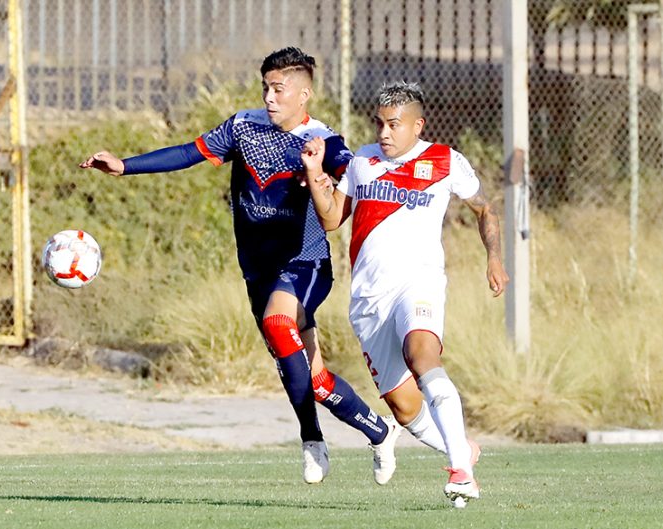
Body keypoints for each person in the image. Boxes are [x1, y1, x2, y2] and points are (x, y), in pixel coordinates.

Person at [79, 47, 402, 485]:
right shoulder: (243, 127)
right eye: (265, 87)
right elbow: (188, 153)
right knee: (316, 377)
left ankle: (312, 441)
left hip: (305, 263)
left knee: (277, 323)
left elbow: (356, 176)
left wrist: (348, 179)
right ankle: (379, 431)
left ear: (303, 94)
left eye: (279, 89)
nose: (269, 97)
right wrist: (124, 166)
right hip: (258, 271)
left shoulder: (322, 141)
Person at [300, 81, 509, 507]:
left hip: (419, 283)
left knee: (422, 355)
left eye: (394, 125)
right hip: (369, 300)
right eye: (379, 124)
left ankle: (461, 474)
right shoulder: (361, 161)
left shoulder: (444, 160)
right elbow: (331, 220)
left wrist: (494, 258)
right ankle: (461, 450)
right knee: (405, 409)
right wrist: (314, 174)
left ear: (418, 125)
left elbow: (484, 208)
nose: (384, 133)